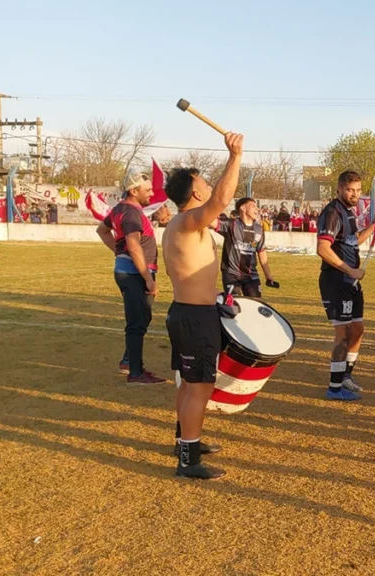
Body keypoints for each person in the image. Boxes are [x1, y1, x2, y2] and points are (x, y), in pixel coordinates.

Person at [161, 131, 244, 480]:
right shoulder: (187, 221)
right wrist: (235, 157)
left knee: (188, 384)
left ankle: (185, 441)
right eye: (204, 182)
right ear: (195, 193)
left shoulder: (180, 225)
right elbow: (222, 198)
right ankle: (188, 461)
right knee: (200, 388)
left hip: (188, 312)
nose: (209, 186)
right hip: (194, 318)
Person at [95, 169, 166, 385]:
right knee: (136, 323)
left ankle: (129, 360)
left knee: (142, 318)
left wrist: (119, 252)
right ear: (134, 191)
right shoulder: (131, 212)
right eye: (147, 190)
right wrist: (148, 279)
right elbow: (134, 246)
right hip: (134, 273)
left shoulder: (121, 209)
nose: (151, 194)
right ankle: (135, 373)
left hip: (132, 271)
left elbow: (102, 230)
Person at [317, 170, 375, 400]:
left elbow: (352, 241)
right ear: (340, 189)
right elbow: (323, 248)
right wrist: (350, 270)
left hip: (351, 281)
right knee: (342, 333)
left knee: (358, 329)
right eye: (350, 190)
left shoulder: (349, 211)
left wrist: (374, 227)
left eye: (358, 190)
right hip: (336, 280)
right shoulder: (332, 212)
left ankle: (346, 376)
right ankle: (334, 387)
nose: (355, 194)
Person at [217, 197, 277, 298]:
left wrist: (268, 274)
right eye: (253, 206)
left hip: (251, 275)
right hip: (232, 274)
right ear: (243, 208)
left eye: (257, 207)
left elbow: (261, 251)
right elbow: (211, 221)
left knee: (256, 304)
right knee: (235, 303)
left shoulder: (259, 229)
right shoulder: (231, 225)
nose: (257, 209)